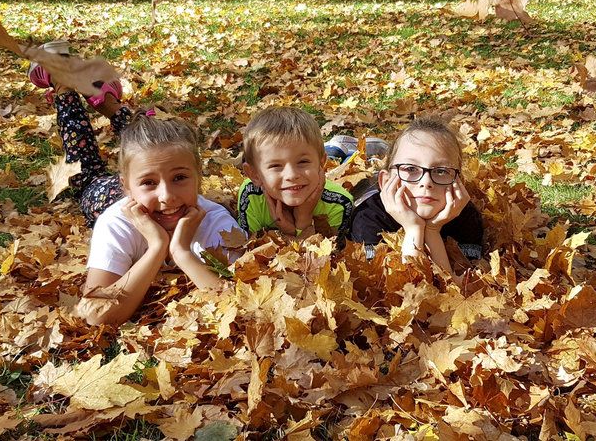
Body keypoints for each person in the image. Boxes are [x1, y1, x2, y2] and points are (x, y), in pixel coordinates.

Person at [27, 41, 243, 326]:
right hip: (104, 195)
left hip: (135, 181)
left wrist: (180, 252)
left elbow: (243, 305)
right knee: (85, 168)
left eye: (180, 178)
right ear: (127, 187)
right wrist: (156, 248)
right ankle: (64, 85)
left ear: (199, 178)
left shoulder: (215, 220)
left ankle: (106, 102)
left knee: (147, 145)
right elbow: (94, 315)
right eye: (150, 183)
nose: (167, 196)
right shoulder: (115, 223)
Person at [348, 118, 484, 275]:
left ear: (459, 182)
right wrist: (414, 229)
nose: (426, 183)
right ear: (386, 181)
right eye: (411, 169)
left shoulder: (466, 217)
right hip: (371, 194)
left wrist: (432, 230)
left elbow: (455, 291)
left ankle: (376, 148)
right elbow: (396, 289)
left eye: (441, 171)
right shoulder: (368, 217)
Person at [239, 107, 354, 239]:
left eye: (302, 162)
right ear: (254, 175)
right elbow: (249, 252)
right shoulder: (250, 195)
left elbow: (328, 256)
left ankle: (342, 149)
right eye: (276, 165)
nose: (291, 175)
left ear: (321, 164)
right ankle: (336, 147)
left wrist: (303, 223)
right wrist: (289, 233)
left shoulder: (339, 203)